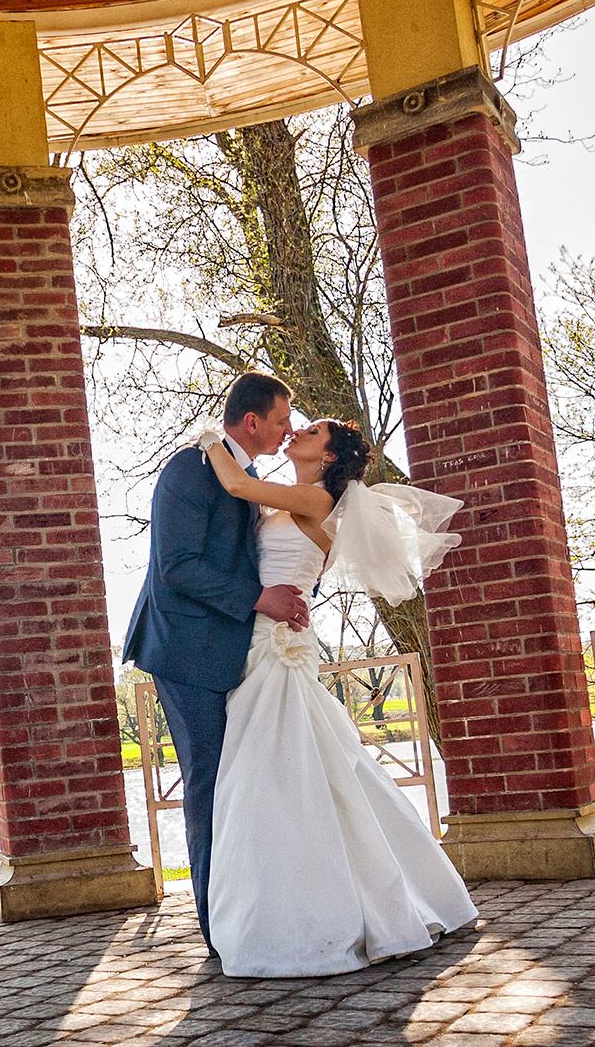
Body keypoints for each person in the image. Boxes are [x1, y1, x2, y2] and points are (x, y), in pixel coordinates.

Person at [194, 412, 481, 976]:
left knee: (276, 773)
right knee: (309, 770)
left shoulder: (318, 500)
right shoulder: (296, 499)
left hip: (277, 646)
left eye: (312, 431)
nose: (297, 432)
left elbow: (236, 484)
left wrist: (209, 438)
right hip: (266, 639)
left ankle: (325, 916)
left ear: (328, 456)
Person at [122, 371, 310, 951]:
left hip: (240, 652)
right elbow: (177, 566)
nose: (289, 430)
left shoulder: (246, 478)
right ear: (252, 421)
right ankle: (218, 931)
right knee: (208, 783)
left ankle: (254, 907)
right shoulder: (188, 469)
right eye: (282, 420)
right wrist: (260, 599)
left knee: (245, 782)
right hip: (185, 650)